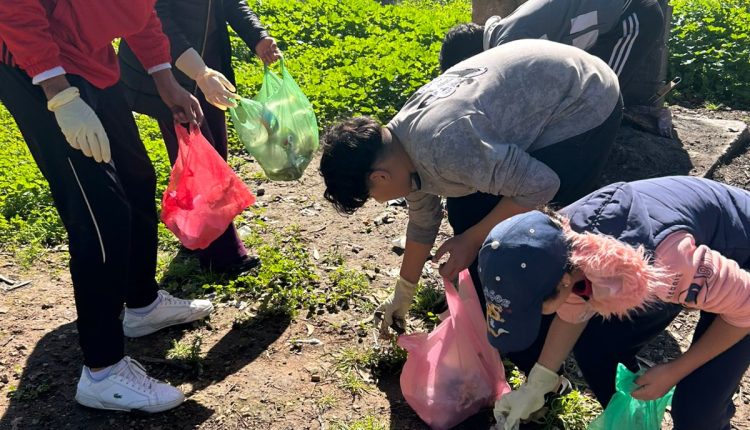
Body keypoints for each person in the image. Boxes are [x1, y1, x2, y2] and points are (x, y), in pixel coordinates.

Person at [319, 39, 622, 349]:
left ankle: (536, 323)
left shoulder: (445, 148)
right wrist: (404, 291)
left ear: (380, 177)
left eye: (372, 195)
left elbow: (541, 186)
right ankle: (483, 303)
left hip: (585, 100)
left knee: (532, 227)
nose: (380, 200)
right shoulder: (399, 148)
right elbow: (424, 219)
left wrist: (472, 240)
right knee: (471, 215)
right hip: (549, 80)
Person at [0, 1, 214, 413]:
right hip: (34, 63)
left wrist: (165, 78)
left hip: (90, 57)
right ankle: (102, 371)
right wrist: (60, 94)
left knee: (137, 178)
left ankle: (142, 304)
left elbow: (142, 11)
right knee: (100, 213)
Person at [478, 176, 750, 430]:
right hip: (696, 263)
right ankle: (633, 421)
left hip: (738, 261)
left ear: (563, 282)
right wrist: (538, 383)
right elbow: (575, 309)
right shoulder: (553, 243)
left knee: (697, 409)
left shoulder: (664, 263)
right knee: (597, 348)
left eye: (533, 308)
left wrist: (673, 372)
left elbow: (747, 307)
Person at [118, 0, 282, 274]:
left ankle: (197, 230)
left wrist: (257, 36)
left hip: (208, 65)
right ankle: (223, 254)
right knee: (202, 160)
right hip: (171, 73)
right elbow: (158, 21)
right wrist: (199, 72)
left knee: (214, 149)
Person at [439, 0, 667, 128]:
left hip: (633, 16)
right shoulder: (507, 30)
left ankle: (609, 134)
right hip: (615, 19)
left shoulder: (511, 45)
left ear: (472, 59)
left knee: (604, 91)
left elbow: (530, 98)